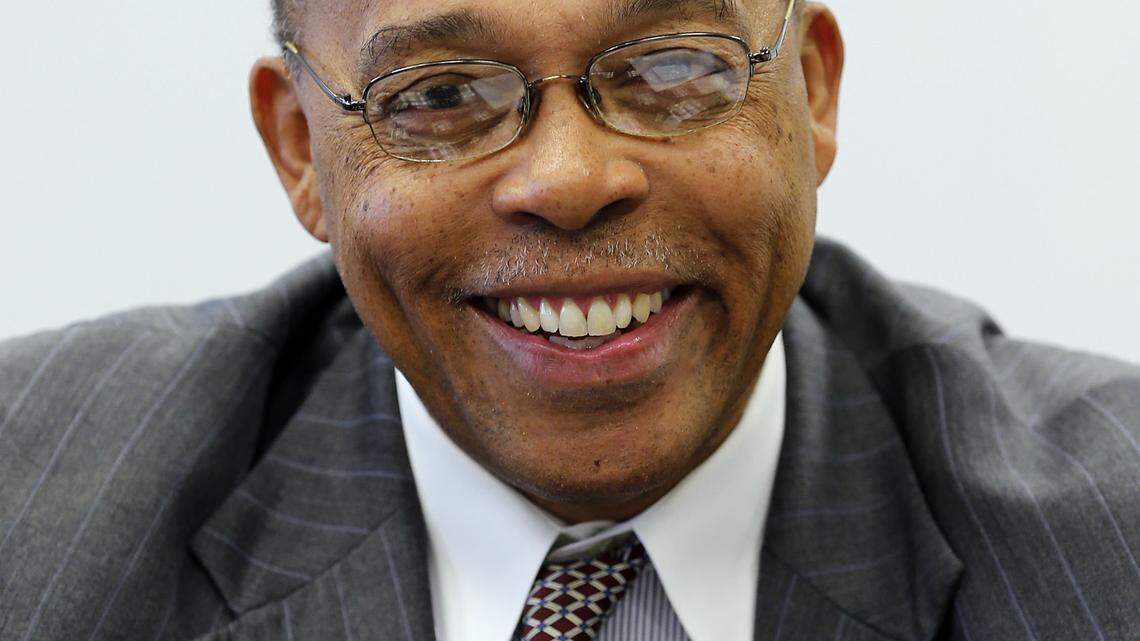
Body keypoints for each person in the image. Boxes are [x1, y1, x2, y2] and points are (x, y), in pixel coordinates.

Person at [1, 0, 1137, 639]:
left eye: (671, 67)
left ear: (815, 94)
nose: (570, 177)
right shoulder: (34, 531)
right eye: (440, 97)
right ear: (302, 151)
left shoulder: (1109, 546)